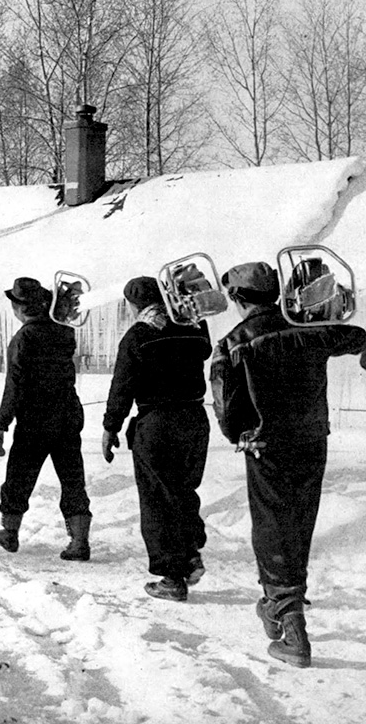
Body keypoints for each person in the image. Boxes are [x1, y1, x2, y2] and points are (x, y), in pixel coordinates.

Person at [211, 261, 366, 668]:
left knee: (272, 527)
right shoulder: (309, 329)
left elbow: (226, 410)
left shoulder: (232, 343)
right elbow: (358, 337)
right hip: (313, 442)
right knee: (299, 522)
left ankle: (290, 622)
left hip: (267, 446)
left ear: (237, 298)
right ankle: (281, 599)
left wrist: (238, 435)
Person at [102, 276, 212, 601]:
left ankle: (171, 577)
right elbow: (205, 347)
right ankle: (190, 554)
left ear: (134, 305)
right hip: (195, 419)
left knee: (156, 500)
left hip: (157, 424)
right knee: (182, 490)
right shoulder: (193, 327)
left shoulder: (137, 336)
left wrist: (110, 428)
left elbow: (122, 387)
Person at [0, 277, 92, 560]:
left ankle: (10, 533)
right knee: (72, 478)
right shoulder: (65, 333)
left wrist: (0, 425)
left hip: (34, 421)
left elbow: (15, 385)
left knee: (19, 478)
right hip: (67, 415)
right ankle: (79, 541)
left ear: (20, 308)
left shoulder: (23, 338)